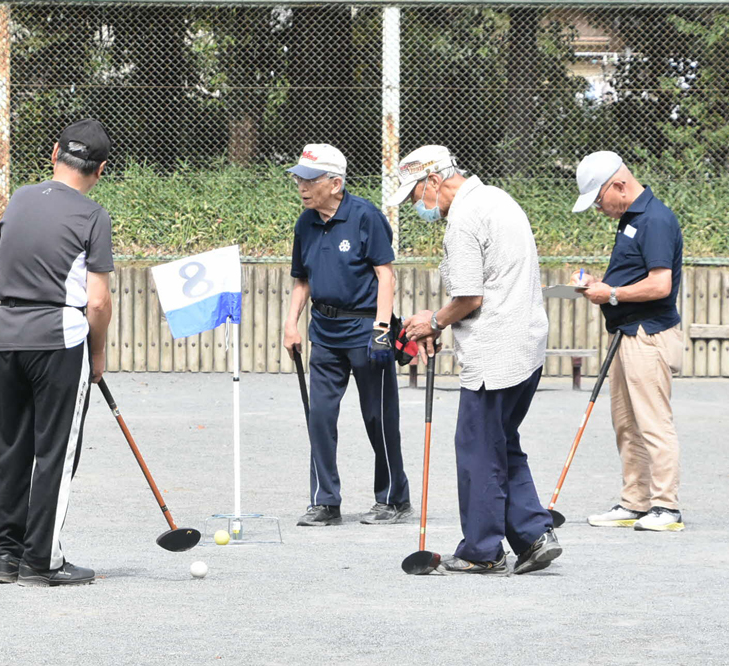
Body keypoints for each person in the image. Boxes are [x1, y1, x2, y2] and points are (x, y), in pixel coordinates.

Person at [399, 145, 561, 575]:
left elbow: (470, 296)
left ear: (434, 181)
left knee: (476, 448)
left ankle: (482, 550)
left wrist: (431, 321)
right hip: (526, 345)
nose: (417, 205)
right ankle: (534, 535)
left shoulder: (464, 219)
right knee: (501, 442)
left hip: (495, 355)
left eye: (415, 194)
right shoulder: (498, 199)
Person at [0, 119, 114, 587]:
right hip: (59, 337)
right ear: (100, 169)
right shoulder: (93, 216)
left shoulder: (18, 199)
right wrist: (97, 355)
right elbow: (97, 300)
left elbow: (8, 250)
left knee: (10, 447)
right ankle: (43, 559)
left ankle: (4, 556)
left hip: (10, 334)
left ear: (54, 153)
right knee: (55, 452)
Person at [282, 143, 411, 528]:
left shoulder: (365, 216)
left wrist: (383, 328)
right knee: (319, 415)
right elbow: (301, 279)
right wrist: (291, 323)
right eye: (298, 178)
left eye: (309, 179)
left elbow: (384, 273)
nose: (301, 186)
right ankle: (325, 501)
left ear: (335, 183)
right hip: (324, 331)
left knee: (378, 417)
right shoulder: (305, 222)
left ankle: (393, 498)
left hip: (365, 329)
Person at [570, 151, 684, 532]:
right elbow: (634, 275)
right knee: (627, 424)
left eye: (600, 201)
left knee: (653, 423)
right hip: (626, 335)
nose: (601, 209)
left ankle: (666, 508)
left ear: (619, 186)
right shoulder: (633, 220)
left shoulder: (655, 220)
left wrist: (612, 294)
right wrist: (598, 285)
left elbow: (659, 284)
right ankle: (635, 502)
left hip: (648, 335)